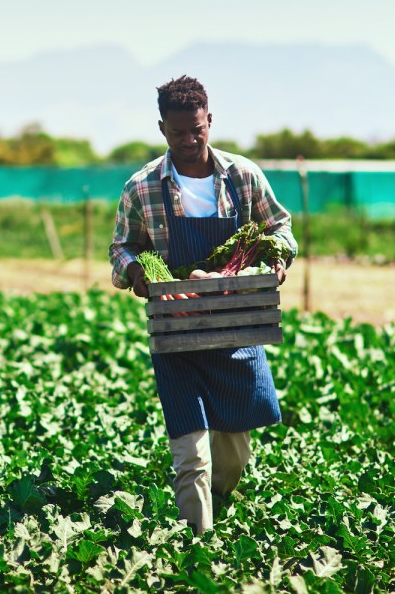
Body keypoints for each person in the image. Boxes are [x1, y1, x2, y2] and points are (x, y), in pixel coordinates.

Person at [108, 75, 297, 534]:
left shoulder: (243, 176)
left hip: (236, 328)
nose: (190, 140)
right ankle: (198, 543)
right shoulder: (142, 187)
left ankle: (221, 504)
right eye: (178, 133)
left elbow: (281, 229)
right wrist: (136, 272)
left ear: (209, 120)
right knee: (190, 454)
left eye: (198, 129)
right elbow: (122, 247)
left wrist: (277, 260)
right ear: (161, 129)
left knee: (233, 457)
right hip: (177, 333)